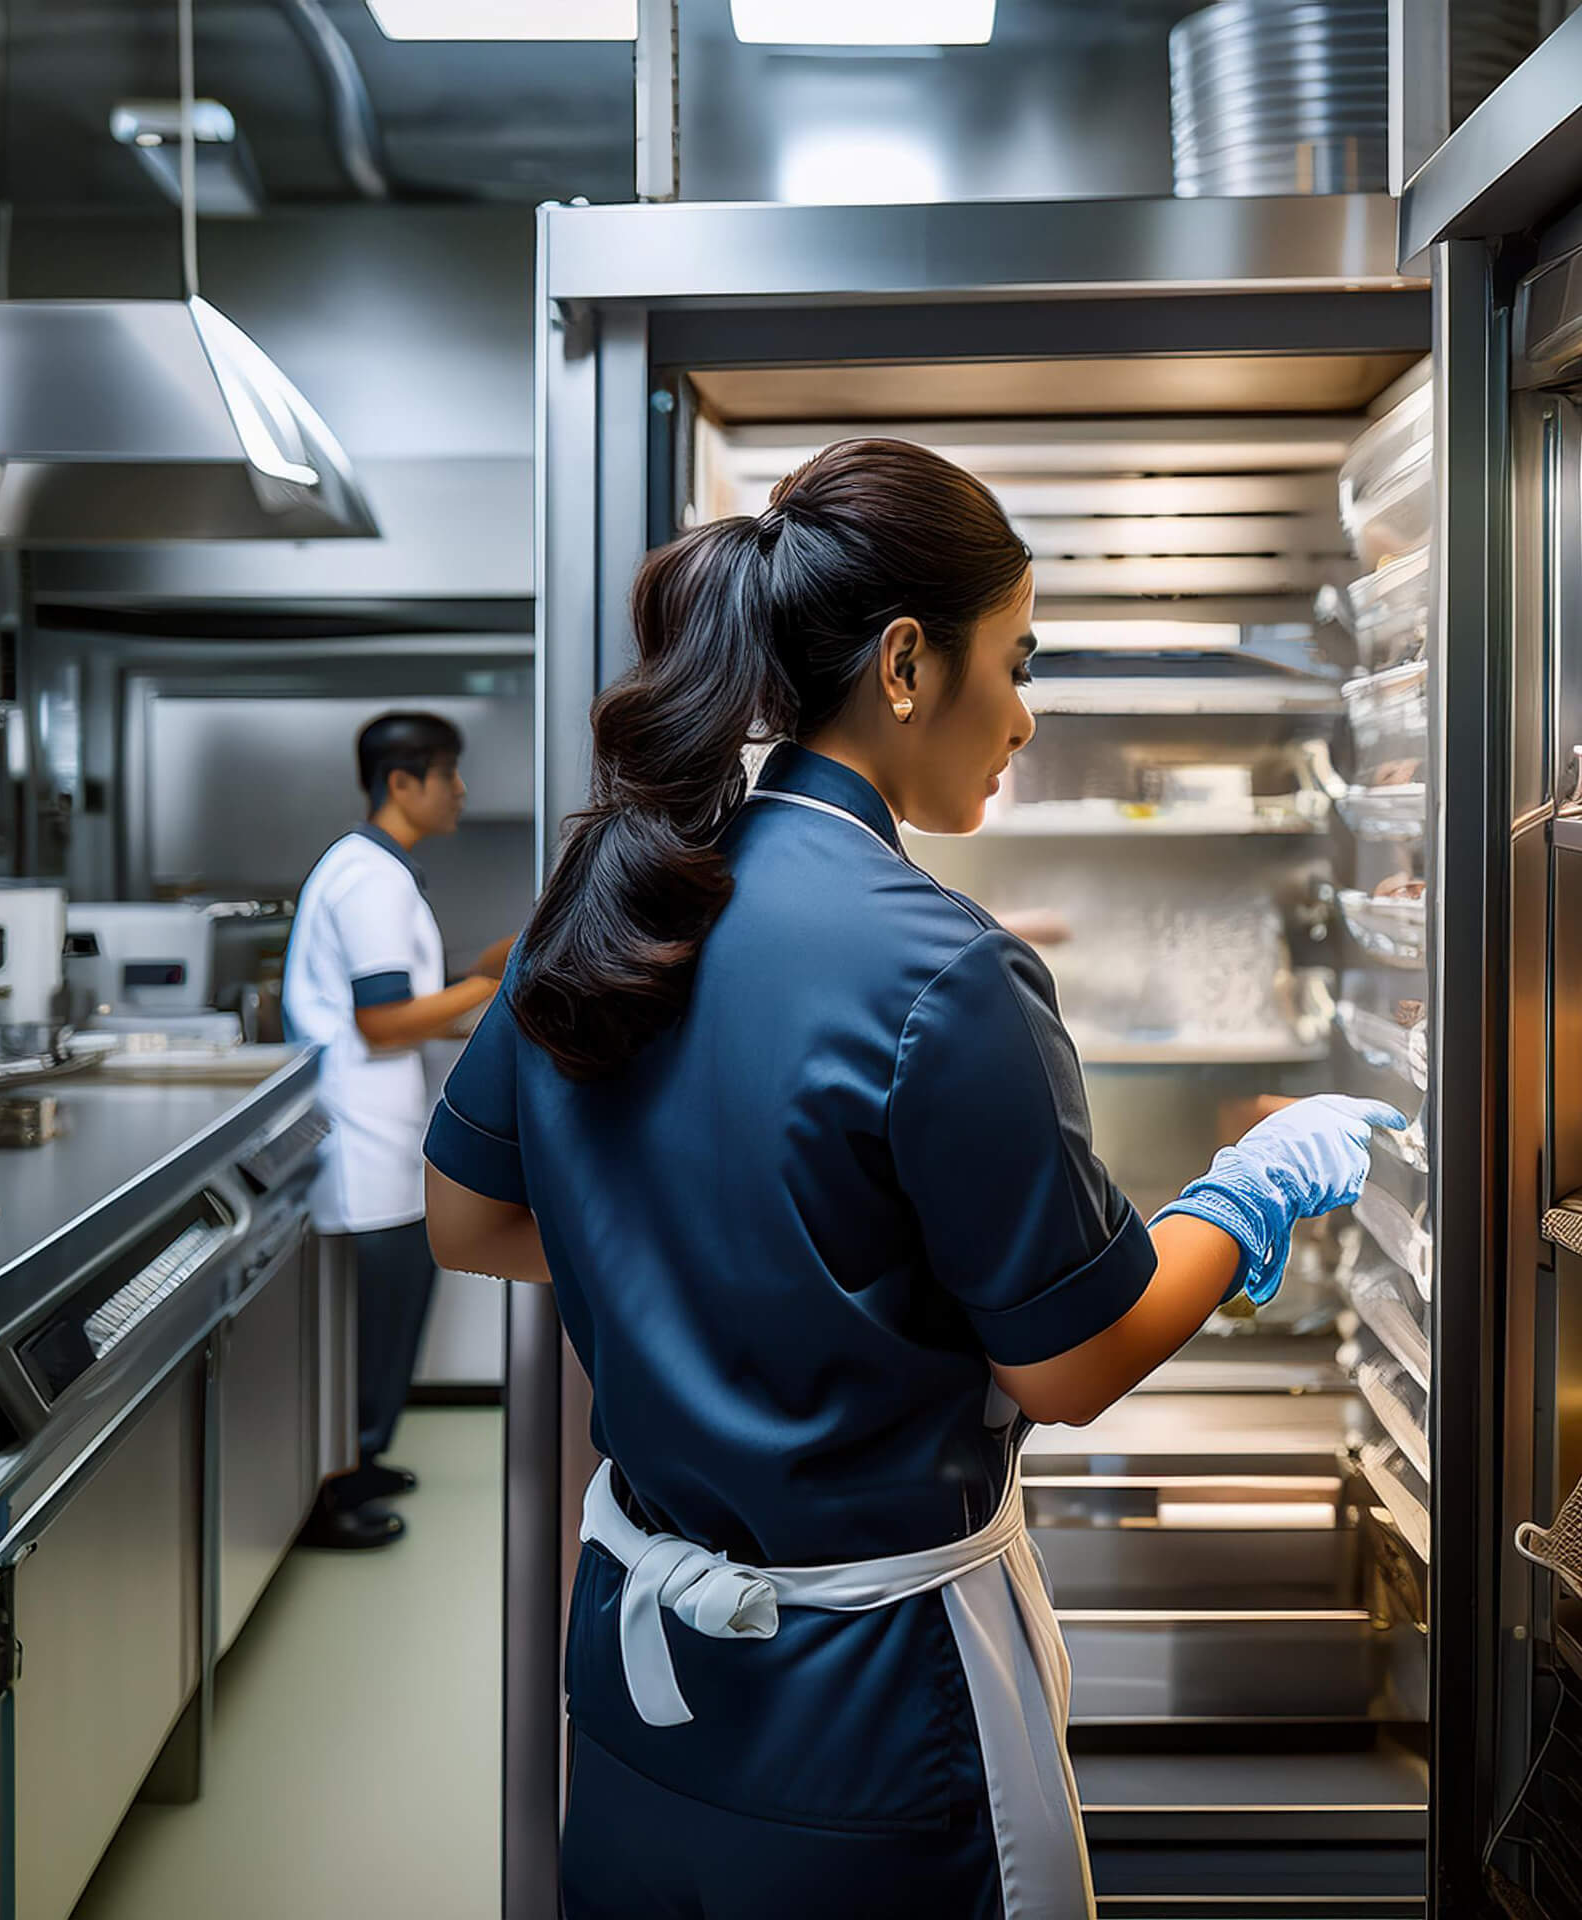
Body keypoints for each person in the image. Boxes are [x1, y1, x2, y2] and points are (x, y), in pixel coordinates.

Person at [423, 440, 1403, 1917]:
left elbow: (472, 1218)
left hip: (642, 1670)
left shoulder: (613, 897)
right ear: (903, 666)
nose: (1022, 715)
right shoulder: (947, 970)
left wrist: (714, 1252)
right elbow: (1071, 1363)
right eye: (1013, 663)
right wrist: (1245, 1195)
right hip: (873, 1709)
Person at [284, 711, 513, 1551]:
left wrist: (473, 986)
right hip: (362, 1136)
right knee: (374, 1319)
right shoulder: (370, 880)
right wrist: (499, 977)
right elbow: (383, 1022)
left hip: (380, 1130)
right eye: (449, 774)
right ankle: (336, 1491)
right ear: (403, 782)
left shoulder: (375, 870)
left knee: (389, 1312)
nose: (460, 791)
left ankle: (360, 1457)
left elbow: (408, 1011)